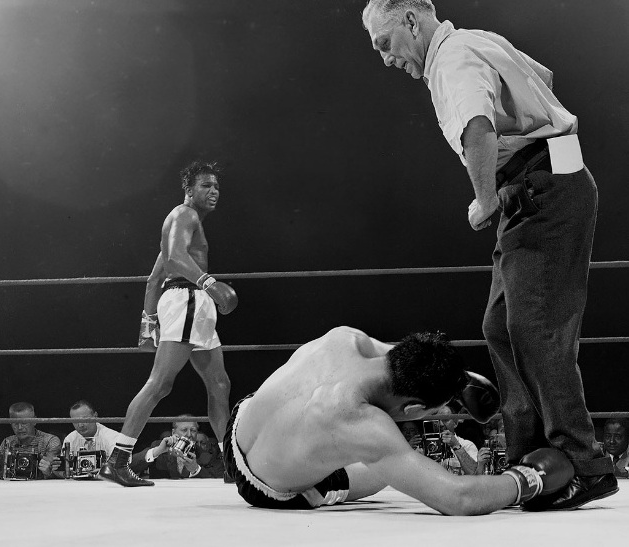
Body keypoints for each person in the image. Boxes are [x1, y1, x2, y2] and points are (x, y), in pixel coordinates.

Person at [361, 0, 616, 510]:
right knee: (501, 324)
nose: (387, 60)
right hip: (542, 182)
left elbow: (477, 126)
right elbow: (540, 76)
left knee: (534, 324)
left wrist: (483, 198)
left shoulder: (451, 58)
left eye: (385, 44)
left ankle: (582, 462)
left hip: (541, 188)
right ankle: (532, 455)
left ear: (412, 21)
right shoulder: (479, 40)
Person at [223, 326, 574, 514]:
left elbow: (406, 355)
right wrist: (530, 478)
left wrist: (452, 378)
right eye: (436, 409)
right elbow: (458, 498)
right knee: (382, 470)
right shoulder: (360, 423)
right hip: (265, 488)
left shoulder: (345, 338)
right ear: (414, 411)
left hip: (243, 419)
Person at [100, 160, 237, 487]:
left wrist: (147, 323)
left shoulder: (185, 222)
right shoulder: (184, 214)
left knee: (219, 385)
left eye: (216, 186)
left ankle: (232, 463)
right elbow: (175, 260)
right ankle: (118, 461)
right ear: (189, 191)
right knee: (160, 383)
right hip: (188, 300)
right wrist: (210, 283)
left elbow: (154, 277)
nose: (213, 191)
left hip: (191, 303)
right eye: (206, 186)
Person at [130, 417, 223, 479]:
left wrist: (196, 470)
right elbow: (130, 467)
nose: (189, 435)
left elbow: (218, 480)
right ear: (174, 432)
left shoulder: (205, 453)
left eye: (193, 430)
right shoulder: (159, 446)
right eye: (184, 430)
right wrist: (156, 452)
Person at [0, 402, 62, 479]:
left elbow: (55, 474)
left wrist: (49, 472)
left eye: (24, 423)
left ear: (35, 421)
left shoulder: (50, 441)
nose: (20, 427)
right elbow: (2, 474)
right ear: (10, 423)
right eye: (15, 423)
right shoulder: (7, 442)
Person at [437, 405, 480, 476]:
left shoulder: (467, 445)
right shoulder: (424, 446)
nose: (441, 424)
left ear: (455, 423)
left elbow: (474, 473)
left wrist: (456, 445)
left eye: (445, 420)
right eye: (438, 420)